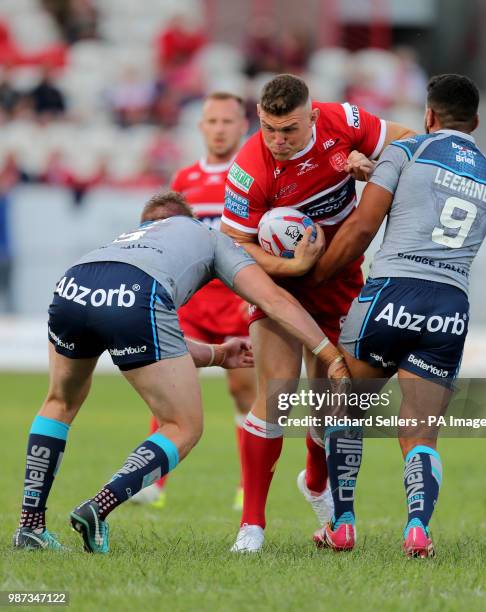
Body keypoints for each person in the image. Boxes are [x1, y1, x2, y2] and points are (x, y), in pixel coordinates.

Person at [12, 191, 348, 553]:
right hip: (138, 291)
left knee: (59, 401)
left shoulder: (125, 243)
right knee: (183, 426)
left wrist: (219, 354)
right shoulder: (209, 236)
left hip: (73, 284)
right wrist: (329, 353)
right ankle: (99, 507)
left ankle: (30, 526)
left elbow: (158, 344)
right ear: (185, 218)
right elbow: (274, 301)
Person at [309, 74, 486, 557]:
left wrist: (316, 277)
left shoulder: (410, 150)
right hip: (450, 306)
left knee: (347, 403)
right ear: (475, 122)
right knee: (421, 428)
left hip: (392, 292)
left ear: (429, 115)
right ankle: (417, 527)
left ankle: (344, 521)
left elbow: (361, 228)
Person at [220, 73, 414, 552]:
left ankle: (314, 481)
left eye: (289, 129)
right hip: (281, 285)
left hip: (343, 280)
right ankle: (252, 526)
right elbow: (234, 245)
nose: (278, 140)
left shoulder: (344, 121)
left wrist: (374, 165)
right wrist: (291, 264)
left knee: (337, 402)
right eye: (269, 128)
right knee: (278, 394)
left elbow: (410, 141)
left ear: (313, 115)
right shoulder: (249, 168)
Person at [131, 92, 252, 510]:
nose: (219, 128)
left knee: (243, 391)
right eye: (212, 121)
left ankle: (247, 487)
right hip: (192, 305)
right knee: (170, 388)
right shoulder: (184, 180)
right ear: (201, 127)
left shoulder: (251, 175)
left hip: (236, 302)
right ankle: (153, 485)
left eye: (227, 121)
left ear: (242, 126)